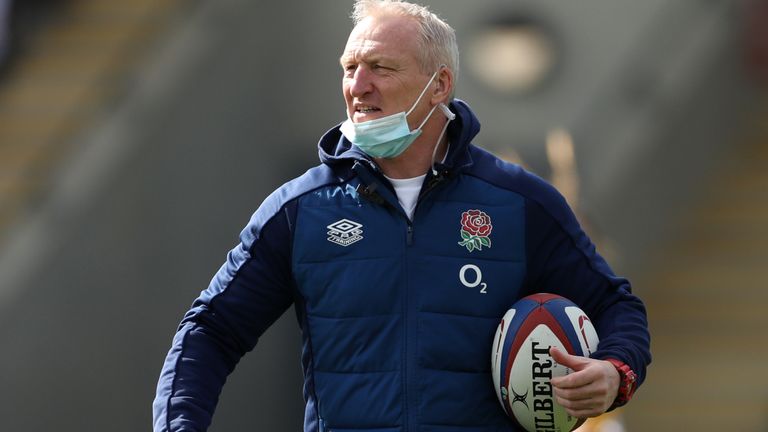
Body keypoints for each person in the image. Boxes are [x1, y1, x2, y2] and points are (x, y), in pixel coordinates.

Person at [152, 1, 651, 431]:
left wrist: (614, 372)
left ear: (439, 85)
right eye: (349, 68)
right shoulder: (300, 209)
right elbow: (210, 330)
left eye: (380, 68)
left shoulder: (521, 204)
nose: (358, 86)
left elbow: (617, 307)